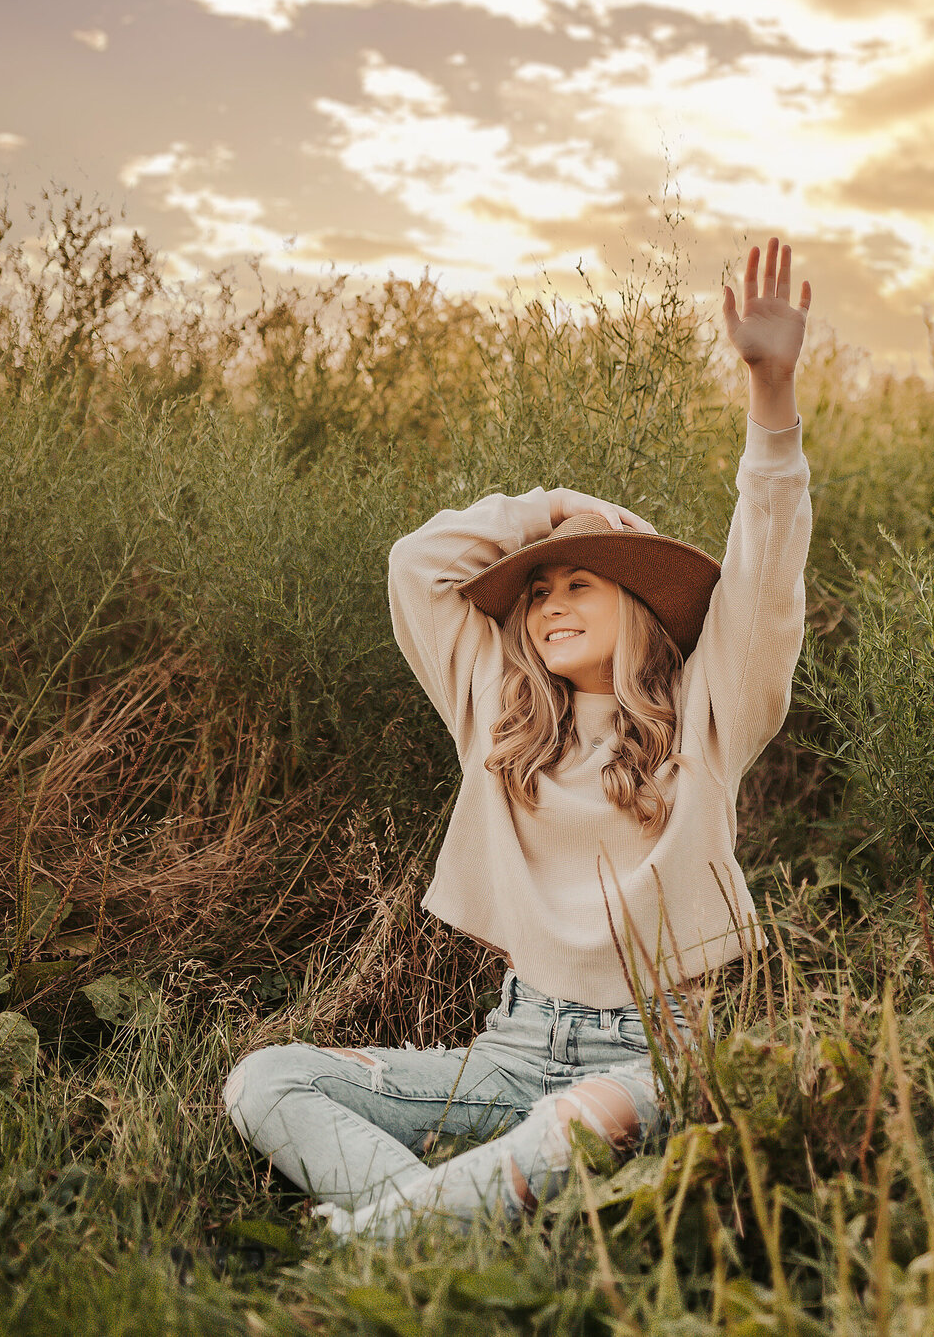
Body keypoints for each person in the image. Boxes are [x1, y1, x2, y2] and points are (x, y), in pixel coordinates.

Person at [223, 236, 813, 1244]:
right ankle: (444, 1219)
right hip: (510, 1043)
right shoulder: (500, 718)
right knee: (266, 1079)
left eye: (581, 579)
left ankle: (378, 1234)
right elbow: (419, 565)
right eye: (535, 593)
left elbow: (765, 568)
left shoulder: (710, 716)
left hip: (656, 1054)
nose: (547, 603)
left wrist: (771, 396)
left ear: (638, 604)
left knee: (566, 1127)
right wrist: (557, 516)